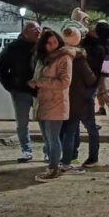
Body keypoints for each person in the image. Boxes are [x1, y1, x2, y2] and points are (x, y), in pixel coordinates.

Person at [0, 21, 41, 162]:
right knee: (22, 122)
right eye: (34, 28)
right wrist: (10, 86)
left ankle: (49, 150)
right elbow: (1, 67)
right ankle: (26, 150)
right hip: (20, 91)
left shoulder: (44, 46)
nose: (38, 31)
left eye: (39, 28)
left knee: (46, 122)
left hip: (41, 90)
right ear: (25, 32)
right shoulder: (14, 48)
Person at [30, 29, 73, 182]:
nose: (52, 45)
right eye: (49, 43)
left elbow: (64, 82)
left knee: (53, 138)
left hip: (56, 103)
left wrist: (39, 83)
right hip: (43, 102)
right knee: (47, 139)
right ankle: (51, 165)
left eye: (55, 42)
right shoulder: (43, 58)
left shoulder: (63, 58)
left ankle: (54, 168)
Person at [59, 27, 98, 171]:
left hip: (65, 99)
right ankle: (91, 157)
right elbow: (90, 79)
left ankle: (65, 160)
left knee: (68, 131)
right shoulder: (79, 59)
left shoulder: (58, 56)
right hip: (82, 100)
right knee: (90, 129)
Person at [91, 22, 109, 117]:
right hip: (96, 69)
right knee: (99, 89)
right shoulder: (95, 41)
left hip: (106, 69)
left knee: (106, 89)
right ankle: (101, 108)